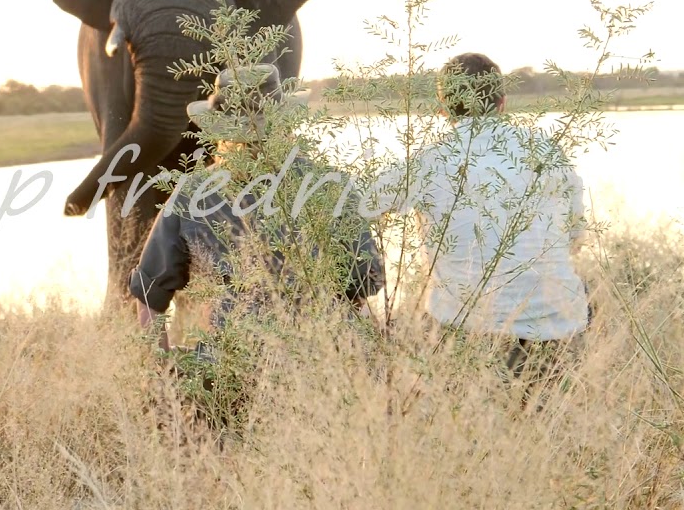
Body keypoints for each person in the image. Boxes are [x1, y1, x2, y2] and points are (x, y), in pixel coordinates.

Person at [373, 52, 591, 405]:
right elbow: (576, 237)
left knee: (464, 425)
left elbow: (363, 206)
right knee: (551, 431)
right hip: (558, 324)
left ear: (443, 108)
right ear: (502, 104)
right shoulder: (548, 152)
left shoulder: (430, 160)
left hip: (467, 328)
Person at [129, 63, 386, 352]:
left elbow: (149, 295)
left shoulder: (192, 193)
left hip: (230, 364)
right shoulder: (333, 185)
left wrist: (164, 372)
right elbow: (365, 282)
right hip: (328, 360)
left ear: (219, 129)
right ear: (283, 123)